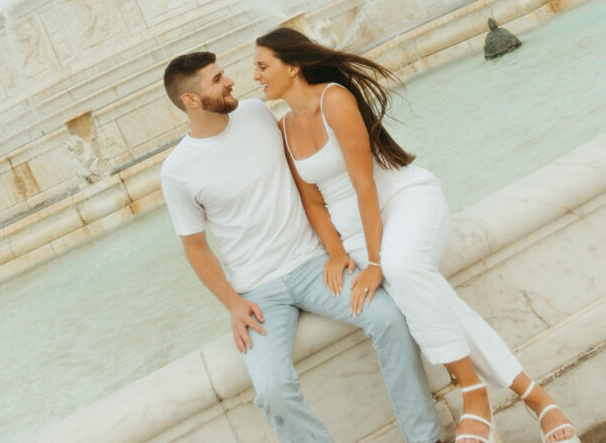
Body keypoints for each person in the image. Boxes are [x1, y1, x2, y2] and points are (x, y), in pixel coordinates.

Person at [254, 26, 581, 443]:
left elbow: (364, 184)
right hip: (354, 233)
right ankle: (536, 398)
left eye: (263, 66)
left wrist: (375, 264)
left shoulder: (334, 98)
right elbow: (313, 202)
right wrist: (337, 254)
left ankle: (474, 394)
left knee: (402, 268)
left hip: (401, 199)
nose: (257, 76)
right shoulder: (284, 128)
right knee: (426, 291)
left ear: (293, 65)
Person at [161, 50, 443, 443]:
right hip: (257, 293)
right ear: (190, 100)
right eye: (216, 79)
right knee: (273, 391)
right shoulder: (176, 171)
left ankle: (425, 437)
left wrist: (338, 250)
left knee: (389, 319)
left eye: (222, 73)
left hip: (314, 266)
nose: (229, 81)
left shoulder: (258, 114)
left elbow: (309, 172)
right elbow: (195, 247)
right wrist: (232, 302)